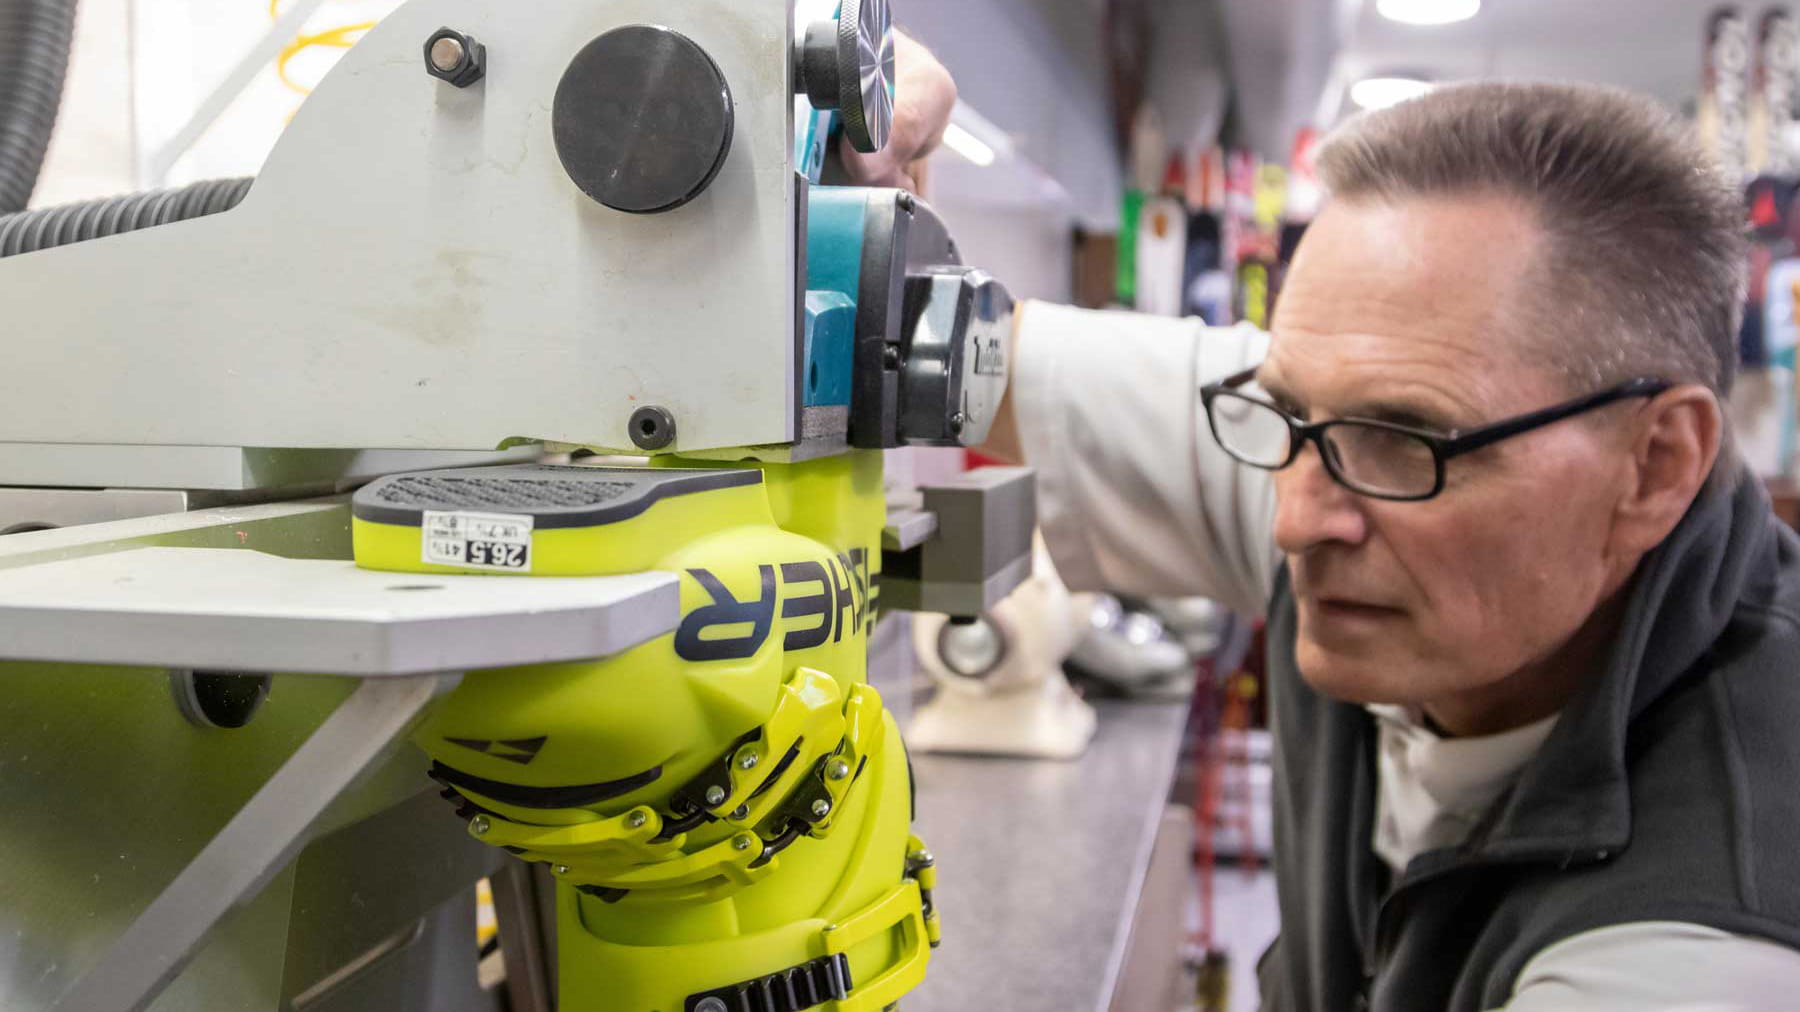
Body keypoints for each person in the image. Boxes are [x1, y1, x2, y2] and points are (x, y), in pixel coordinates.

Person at [853, 37, 1800, 1012]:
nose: (1297, 519)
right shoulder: (1341, 464)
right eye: (1287, 409)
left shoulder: (1706, 941)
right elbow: (951, 354)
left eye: (1402, 437)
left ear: (1654, 466)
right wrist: (819, 148)